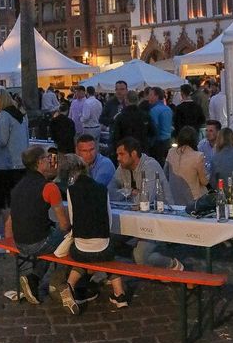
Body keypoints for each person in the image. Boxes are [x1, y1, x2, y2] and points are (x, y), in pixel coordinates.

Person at [59, 154, 130, 313]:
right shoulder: (101, 188)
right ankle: (120, 295)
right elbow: (109, 221)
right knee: (107, 256)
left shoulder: (72, 191)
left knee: (81, 254)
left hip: (81, 250)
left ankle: (69, 285)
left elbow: (73, 221)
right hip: (103, 248)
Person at [5, 145, 69, 305]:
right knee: (70, 237)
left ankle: (33, 280)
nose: (50, 161)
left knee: (51, 237)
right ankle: (66, 282)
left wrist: (8, 243)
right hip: (38, 242)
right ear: (40, 162)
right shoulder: (49, 187)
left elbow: (9, 220)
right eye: (48, 158)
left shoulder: (18, 187)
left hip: (20, 242)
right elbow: (64, 223)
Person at [113, 137, 183, 270]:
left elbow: (144, 201)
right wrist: (130, 191)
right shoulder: (123, 167)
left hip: (158, 219)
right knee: (107, 240)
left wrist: (128, 196)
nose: (118, 158)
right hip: (135, 218)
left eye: (121, 154)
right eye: (117, 154)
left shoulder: (150, 165)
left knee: (141, 257)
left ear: (133, 154)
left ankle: (173, 265)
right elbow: (110, 191)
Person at [0, 89, 28, 252]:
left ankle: (8, 241)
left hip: (6, 165)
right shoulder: (21, 115)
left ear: (0, 100)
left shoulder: (4, 116)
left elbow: (2, 140)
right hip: (20, 164)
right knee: (17, 204)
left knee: (6, 204)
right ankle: (18, 238)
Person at [165, 126, 208, 205]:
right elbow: (204, 181)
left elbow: (166, 174)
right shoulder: (198, 156)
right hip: (193, 199)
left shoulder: (171, 152)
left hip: (174, 196)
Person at [110, 89, 152, 156]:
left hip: (126, 151)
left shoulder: (120, 117)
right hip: (142, 150)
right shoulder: (145, 116)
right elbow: (152, 133)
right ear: (137, 100)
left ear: (126, 100)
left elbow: (115, 137)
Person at [147, 87, 173, 165]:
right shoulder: (168, 109)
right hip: (168, 140)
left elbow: (154, 128)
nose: (149, 97)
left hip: (158, 143)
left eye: (151, 95)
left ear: (157, 96)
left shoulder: (154, 110)